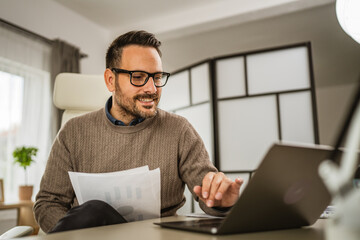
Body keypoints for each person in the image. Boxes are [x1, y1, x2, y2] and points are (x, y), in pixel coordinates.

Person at [34, 30, 243, 233]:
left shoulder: (180, 130)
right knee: (94, 211)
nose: (151, 89)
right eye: (138, 76)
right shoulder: (73, 132)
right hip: (93, 236)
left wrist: (221, 201)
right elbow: (47, 204)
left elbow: (208, 194)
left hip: (157, 237)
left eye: (157, 77)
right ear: (110, 80)